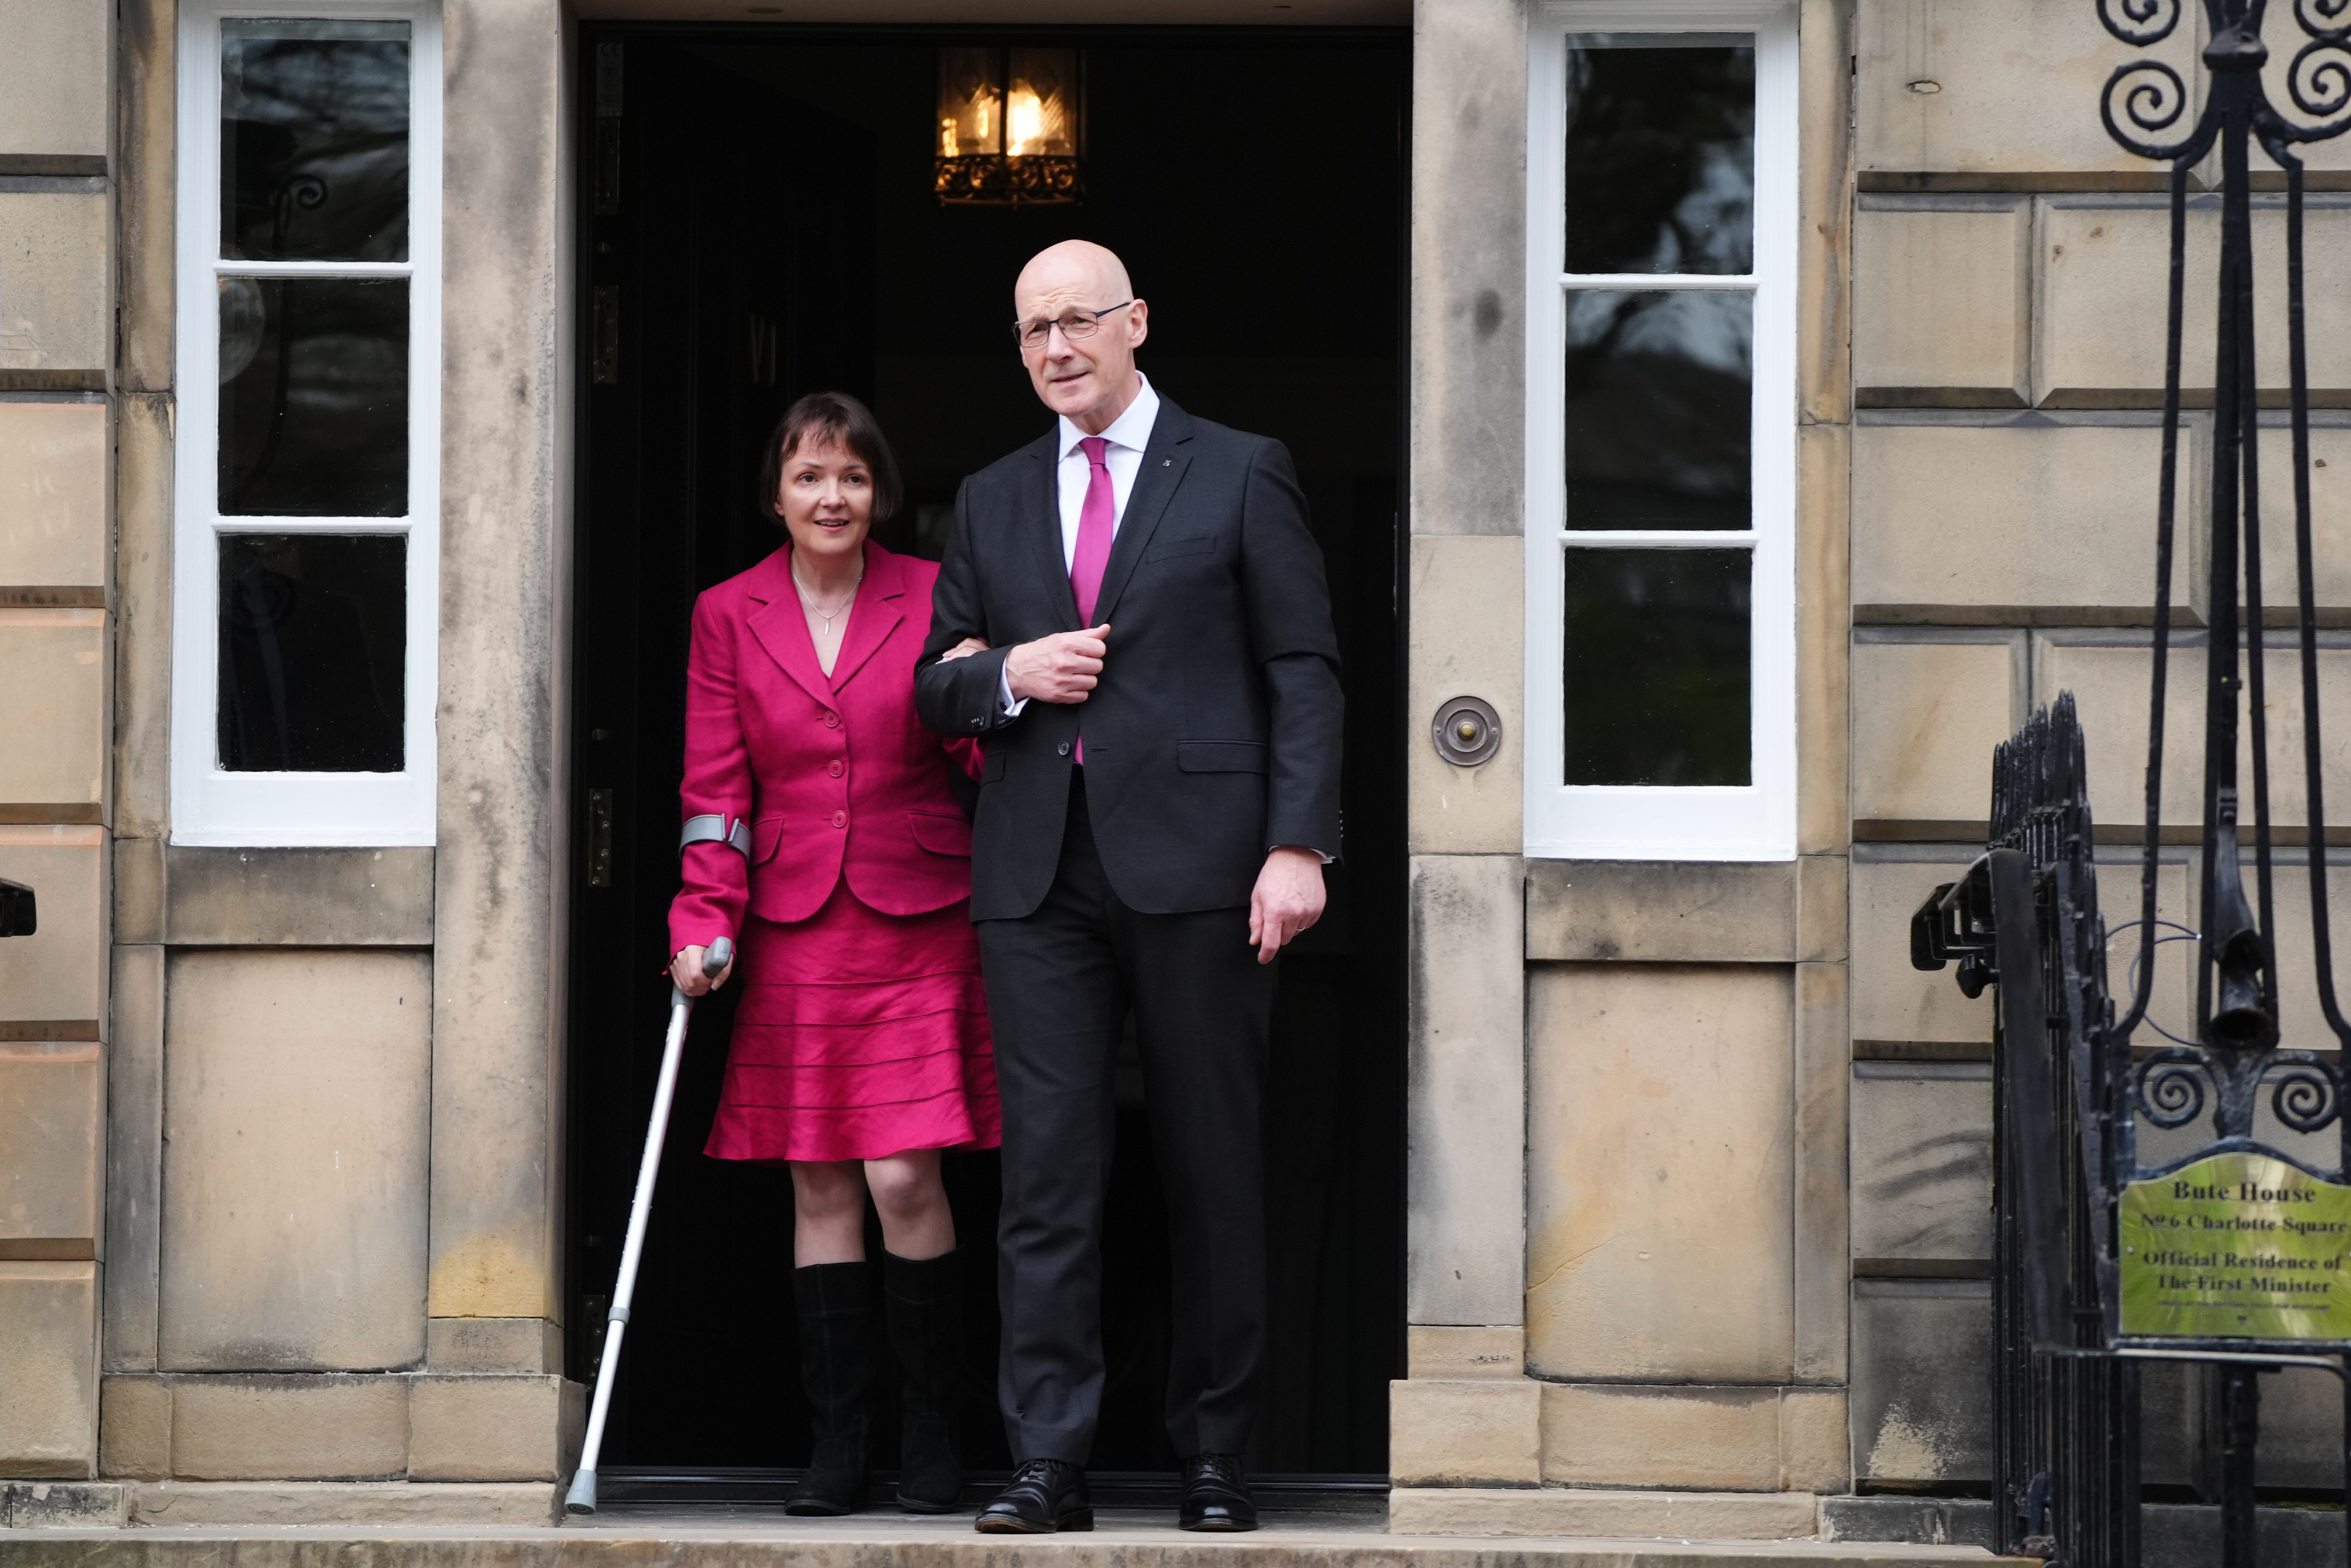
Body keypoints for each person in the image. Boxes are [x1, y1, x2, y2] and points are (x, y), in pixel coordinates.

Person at [914, 241, 1344, 1534]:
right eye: (1032, 328)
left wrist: (1300, 844)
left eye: (1078, 321)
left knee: (1212, 1167)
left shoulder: (1240, 467)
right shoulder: (990, 498)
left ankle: (1215, 1456)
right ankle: (1049, 1458)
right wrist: (1010, 674)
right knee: (1049, 1177)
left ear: (1136, 323)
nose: (1055, 347)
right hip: (1038, 874)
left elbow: (1305, 669)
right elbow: (934, 678)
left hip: (1209, 866)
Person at [667, 391, 1000, 1517]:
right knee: (819, 1184)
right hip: (796, 923)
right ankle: (839, 1446)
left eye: (853, 478)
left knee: (908, 1175)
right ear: (777, 494)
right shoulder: (728, 613)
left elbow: (973, 741)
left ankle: (937, 1437)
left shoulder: (933, 593)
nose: (833, 496)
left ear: (880, 494)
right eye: (811, 476)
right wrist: (701, 924)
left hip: (922, 916)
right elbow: (717, 794)